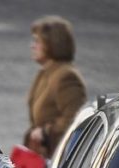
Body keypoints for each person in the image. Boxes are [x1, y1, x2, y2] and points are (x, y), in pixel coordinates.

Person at [24, 15, 86, 158]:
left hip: (58, 160)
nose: (32, 45)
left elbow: (74, 118)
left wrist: (46, 132)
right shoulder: (47, 73)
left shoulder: (66, 76)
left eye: (37, 41)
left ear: (52, 44)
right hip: (43, 156)